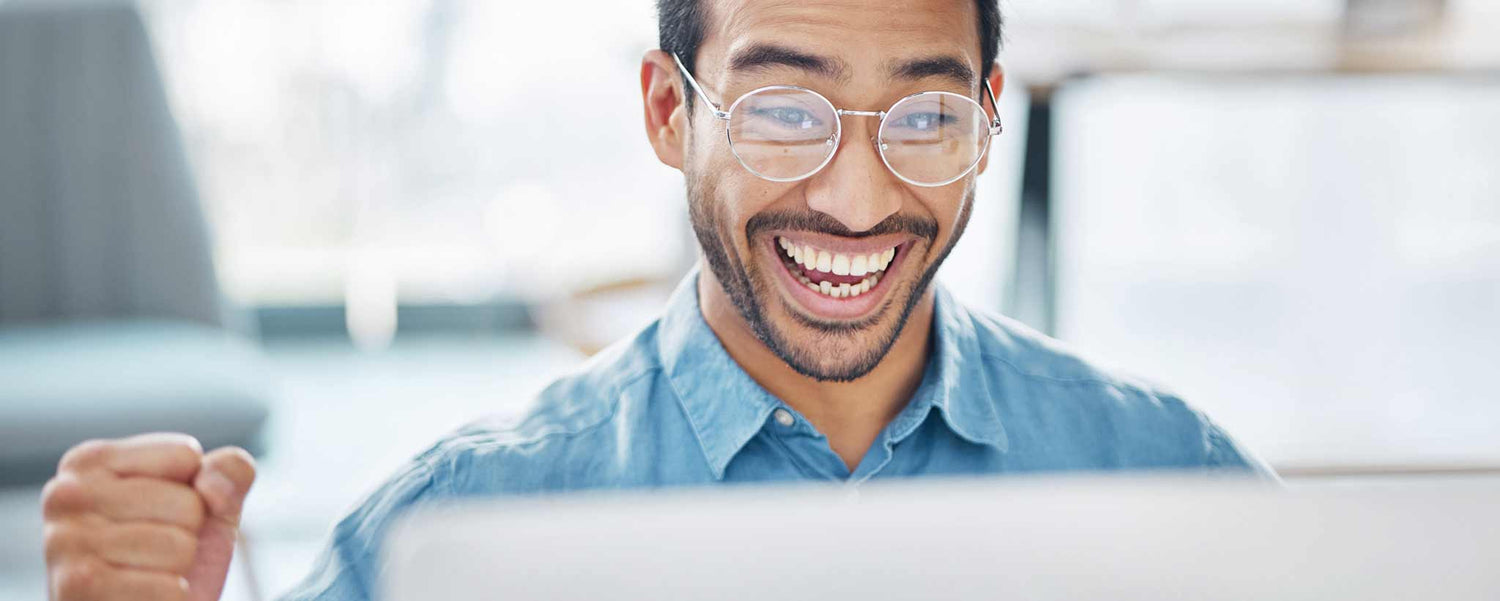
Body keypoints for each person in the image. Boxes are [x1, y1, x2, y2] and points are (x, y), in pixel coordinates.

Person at [40, 0, 1272, 599]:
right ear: (669, 111)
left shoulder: (1176, 477)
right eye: (786, 110)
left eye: (926, 115)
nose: (855, 196)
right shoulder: (461, 530)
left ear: (990, 117)